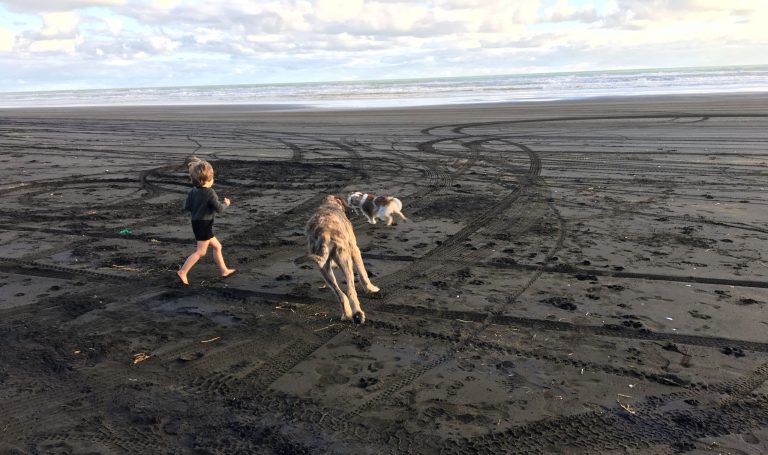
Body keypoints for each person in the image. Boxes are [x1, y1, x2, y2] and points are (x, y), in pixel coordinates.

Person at [177, 158, 236, 285]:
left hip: (197, 223)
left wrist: (199, 206)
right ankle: (183, 271)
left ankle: (224, 270)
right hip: (204, 224)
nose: (213, 180)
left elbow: (187, 207)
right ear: (206, 180)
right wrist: (226, 204)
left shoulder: (193, 191)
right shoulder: (210, 192)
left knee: (217, 246)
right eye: (212, 178)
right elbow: (219, 209)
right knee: (201, 252)